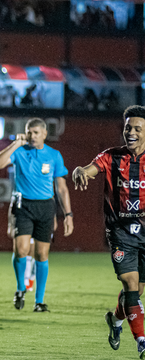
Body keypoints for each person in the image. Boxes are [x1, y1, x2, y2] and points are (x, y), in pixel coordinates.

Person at [72, 105, 145, 357]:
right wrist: (79, 171)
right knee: (130, 284)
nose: (131, 132)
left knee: (136, 292)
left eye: (137, 128)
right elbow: (88, 168)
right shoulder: (111, 156)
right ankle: (142, 341)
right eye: (128, 128)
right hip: (120, 232)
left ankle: (115, 321)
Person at [0, 118, 74, 312]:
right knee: (21, 250)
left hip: (46, 207)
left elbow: (61, 188)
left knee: (42, 254)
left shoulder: (54, 155)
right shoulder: (19, 151)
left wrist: (68, 214)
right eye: (30, 132)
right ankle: (21, 288)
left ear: (45, 134)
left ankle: (39, 301)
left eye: (36, 132)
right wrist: (15, 143)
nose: (32, 136)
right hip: (23, 205)